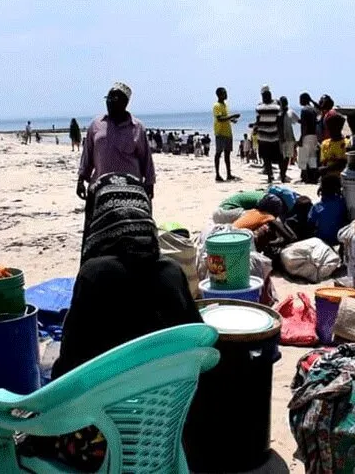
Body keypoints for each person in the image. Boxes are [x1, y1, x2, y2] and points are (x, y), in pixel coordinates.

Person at [22, 173, 202, 471]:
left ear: (101, 224)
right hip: (164, 434)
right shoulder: (172, 274)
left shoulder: (94, 276)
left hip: (100, 443)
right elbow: (198, 344)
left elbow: (68, 369)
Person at [76, 83, 156, 262]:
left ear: (125, 103)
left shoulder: (137, 128)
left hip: (129, 193)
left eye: (115, 99)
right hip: (100, 192)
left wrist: (149, 184)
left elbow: (146, 160)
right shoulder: (96, 125)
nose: (110, 103)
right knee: (94, 234)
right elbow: (87, 155)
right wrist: (81, 179)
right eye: (108, 99)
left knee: (130, 235)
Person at [256, 85, 286, 184]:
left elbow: (258, 122)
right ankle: (281, 176)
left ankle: (270, 177)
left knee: (267, 158)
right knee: (278, 157)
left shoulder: (259, 107)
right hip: (273, 136)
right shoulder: (277, 106)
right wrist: (282, 136)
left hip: (264, 137)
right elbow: (279, 122)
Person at [308, 174, 348, 246]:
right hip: (340, 240)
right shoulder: (343, 203)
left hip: (322, 242)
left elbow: (310, 223)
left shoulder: (317, 207)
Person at [213, 87, 240, 182]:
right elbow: (219, 119)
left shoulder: (225, 105)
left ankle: (229, 174)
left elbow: (225, 117)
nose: (226, 94)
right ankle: (217, 174)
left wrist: (232, 120)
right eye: (224, 93)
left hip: (228, 132)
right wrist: (232, 116)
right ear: (219, 95)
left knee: (227, 154)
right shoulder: (217, 106)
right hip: (220, 132)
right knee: (218, 153)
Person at [298, 92, 320, 184]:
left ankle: (305, 178)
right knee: (312, 158)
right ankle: (313, 178)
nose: (299, 101)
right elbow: (319, 108)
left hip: (307, 135)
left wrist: (301, 138)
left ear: (303, 100)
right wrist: (311, 100)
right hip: (314, 135)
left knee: (304, 157)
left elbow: (304, 126)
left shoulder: (304, 110)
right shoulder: (313, 110)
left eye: (300, 99)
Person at [279, 96, 299, 166]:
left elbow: (299, 121)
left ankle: (283, 173)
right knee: (280, 157)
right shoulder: (278, 113)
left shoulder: (290, 112)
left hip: (289, 138)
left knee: (287, 157)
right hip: (280, 138)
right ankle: (282, 173)